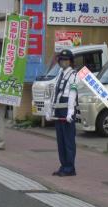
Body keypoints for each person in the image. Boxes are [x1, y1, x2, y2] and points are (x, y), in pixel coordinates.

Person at [46, 49, 79, 177]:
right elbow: (54, 92)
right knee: (60, 141)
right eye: (61, 60)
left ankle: (70, 168)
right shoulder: (60, 73)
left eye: (66, 60)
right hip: (58, 109)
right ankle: (63, 165)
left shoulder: (74, 75)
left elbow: (72, 94)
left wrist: (70, 112)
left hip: (67, 109)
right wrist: (49, 110)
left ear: (71, 61)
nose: (63, 62)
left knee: (68, 140)